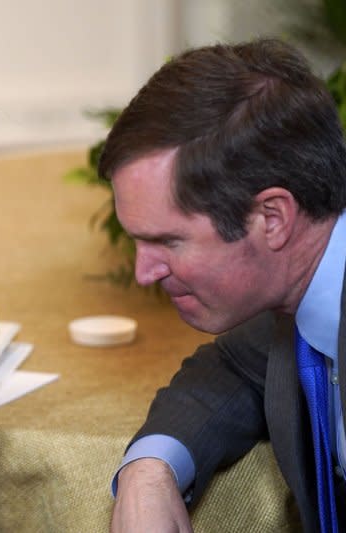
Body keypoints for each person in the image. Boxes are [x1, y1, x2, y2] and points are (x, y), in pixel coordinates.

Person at [100, 38, 346, 533]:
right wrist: (151, 469)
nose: (143, 272)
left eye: (167, 240)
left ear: (272, 217)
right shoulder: (304, 297)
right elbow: (236, 367)